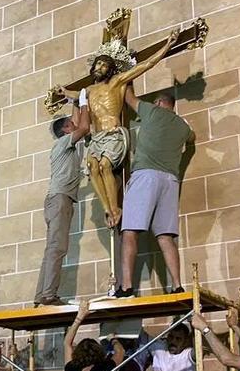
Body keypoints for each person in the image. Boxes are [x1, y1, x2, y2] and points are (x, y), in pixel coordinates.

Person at [56, 29, 180, 228]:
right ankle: (107, 208)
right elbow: (70, 94)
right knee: (91, 167)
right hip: (97, 138)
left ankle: (115, 209)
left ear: (110, 69)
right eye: (98, 63)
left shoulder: (117, 82)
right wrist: (61, 92)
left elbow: (145, 65)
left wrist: (167, 45)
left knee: (105, 165)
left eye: (105, 64)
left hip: (114, 133)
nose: (100, 67)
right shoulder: (87, 91)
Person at [114, 86, 195, 298]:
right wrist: (181, 124)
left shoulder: (151, 111)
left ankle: (126, 287)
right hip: (170, 181)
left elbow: (127, 96)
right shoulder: (181, 126)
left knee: (130, 231)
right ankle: (177, 285)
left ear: (159, 103)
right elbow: (192, 137)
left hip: (146, 176)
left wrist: (127, 72)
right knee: (166, 236)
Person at [34, 94, 91, 306]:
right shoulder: (63, 143)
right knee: (57, 247)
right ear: (66, 130)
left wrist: (75, 100)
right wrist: (85, 102)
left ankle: (42, 294)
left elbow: (77, 121)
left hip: (58, 200)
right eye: (71, 125)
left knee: (53, 248)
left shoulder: (68, 144)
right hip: (59, 200)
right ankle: (48, 295)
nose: (74, 125)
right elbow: (84, 127)